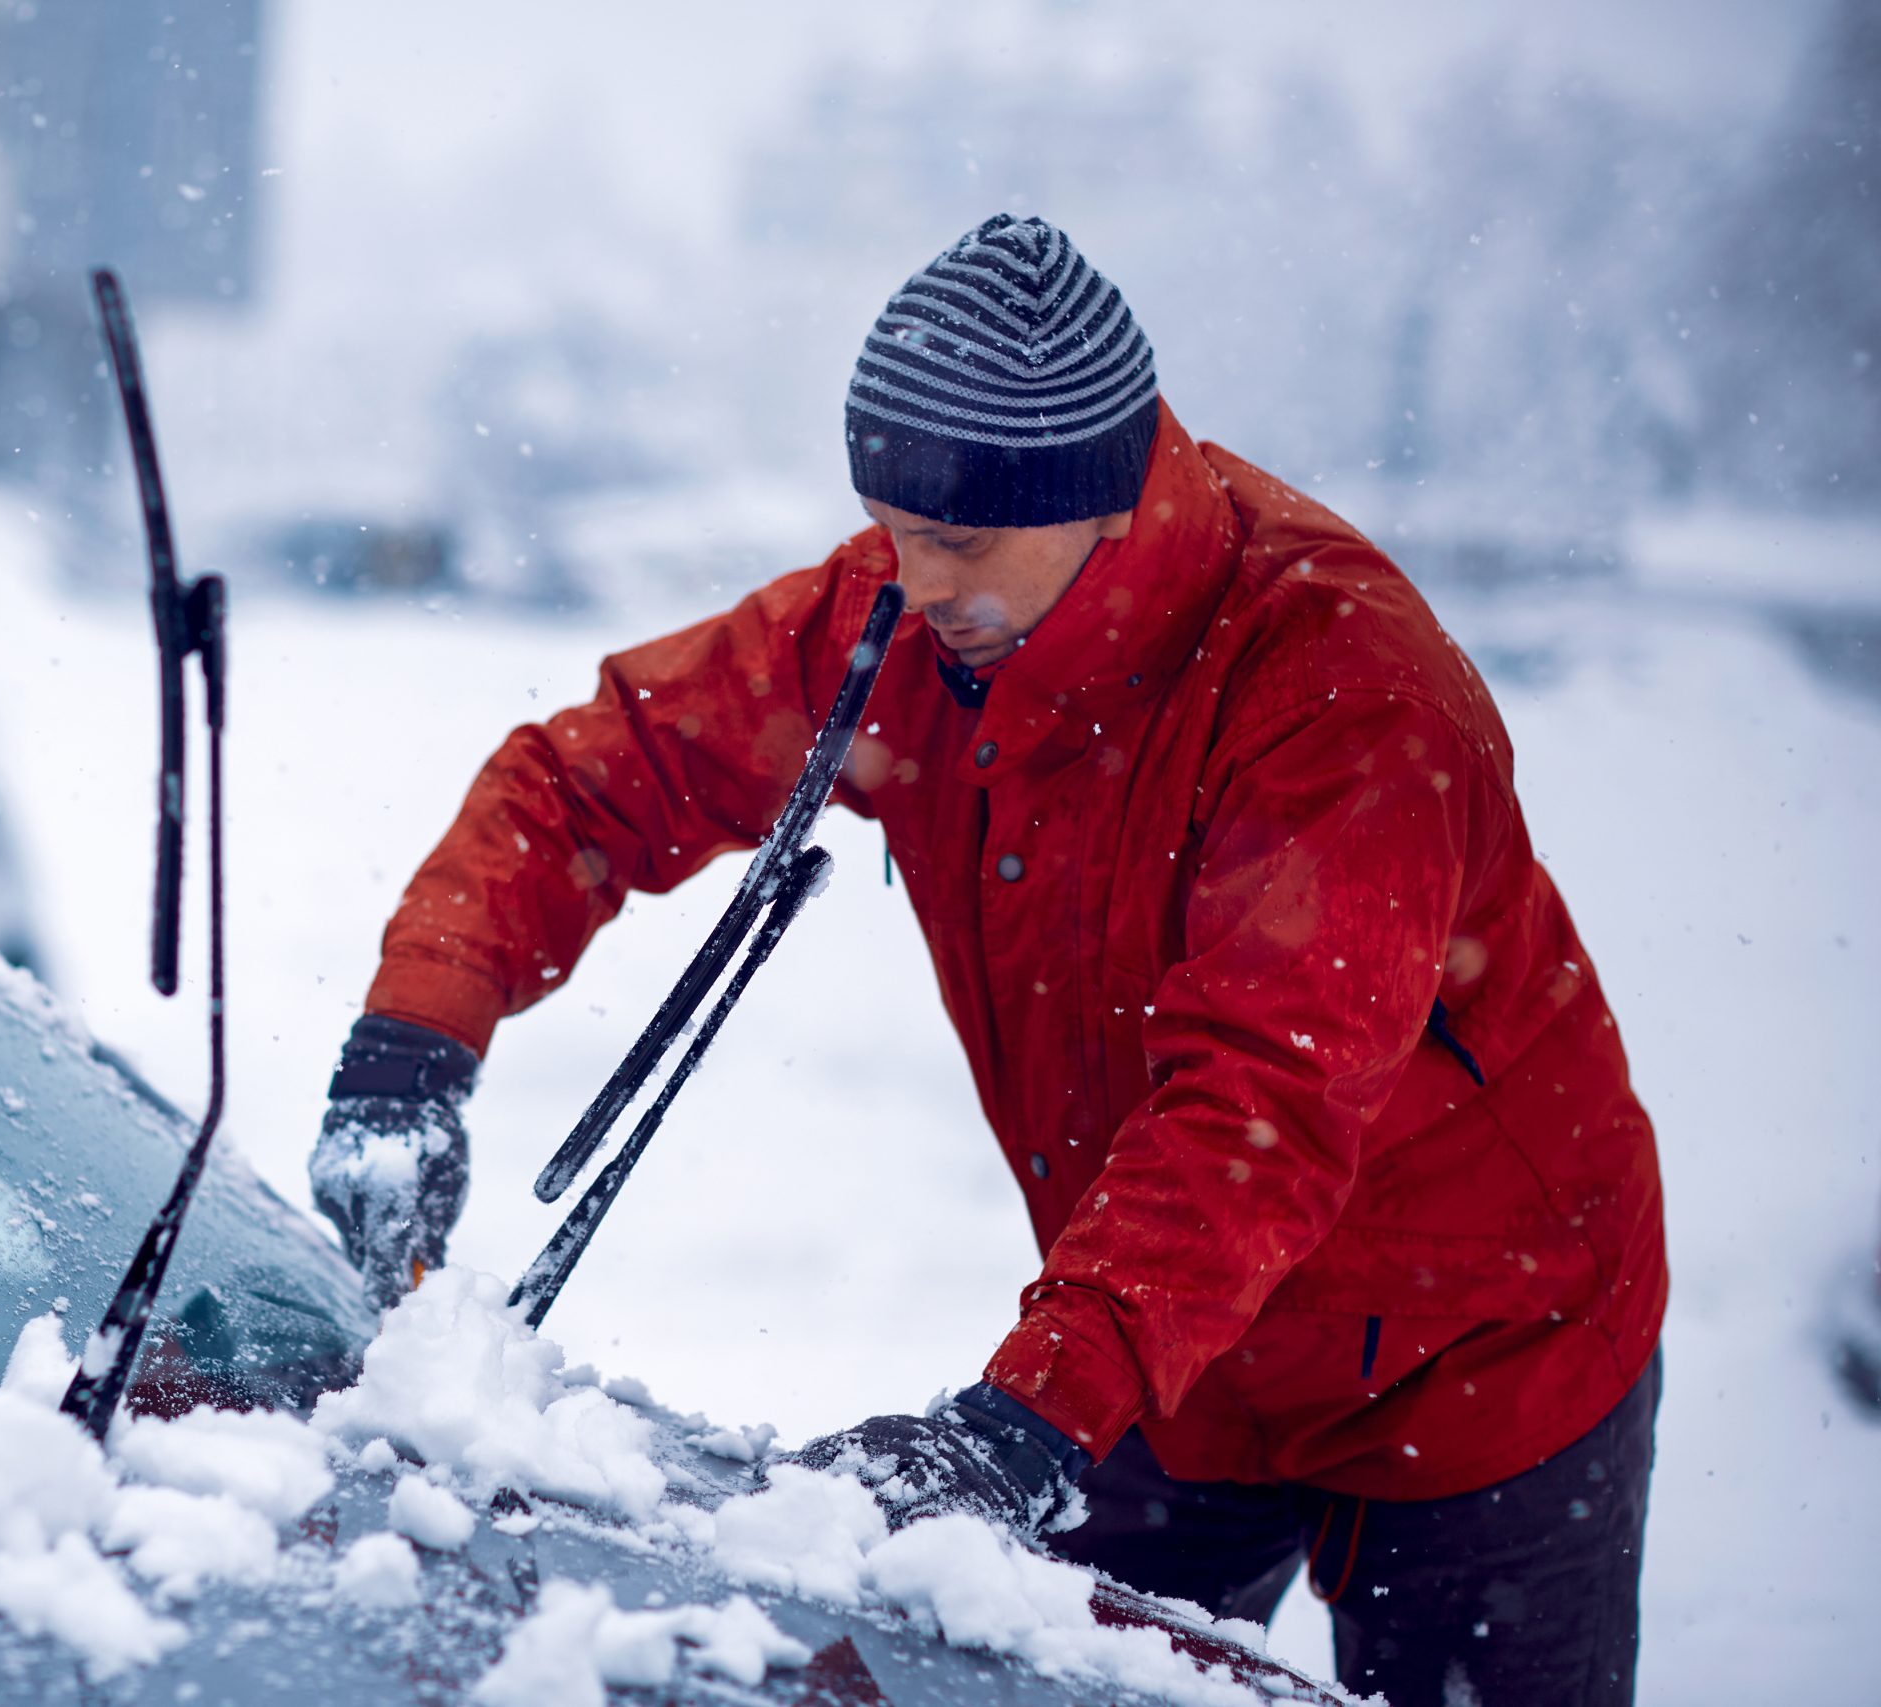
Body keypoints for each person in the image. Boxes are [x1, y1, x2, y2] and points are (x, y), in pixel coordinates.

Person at [310, 214, 1666, 1705]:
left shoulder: (1336, 692)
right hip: (1164, 1362)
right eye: (890, 524)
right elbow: (594, 778)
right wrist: (411, 1044)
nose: (910, 572)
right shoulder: (906, 621)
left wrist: (1018, 1428)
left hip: (1479, 1368)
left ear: (1094, 501)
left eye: (956, 537)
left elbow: (1259, 1112)